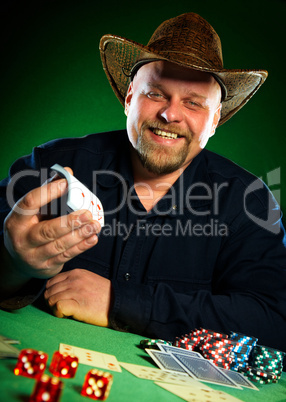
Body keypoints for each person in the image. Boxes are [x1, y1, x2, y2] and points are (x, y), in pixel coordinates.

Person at [1, 12, 286, 353]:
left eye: (193, 103)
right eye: (156, 94)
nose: (170, 114)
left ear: (214, 122)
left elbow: (275, 319)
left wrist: (118, 302)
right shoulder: (52, 166)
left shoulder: (248, 203)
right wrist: (12, 264)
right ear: (129, 99)